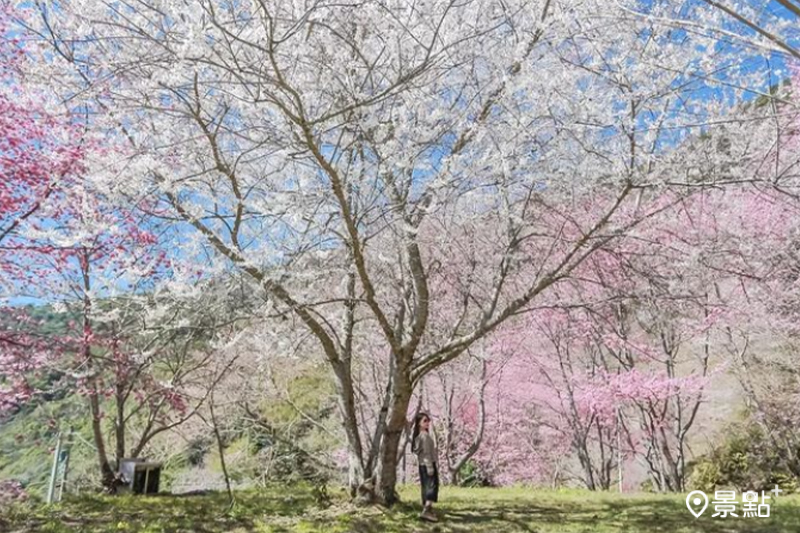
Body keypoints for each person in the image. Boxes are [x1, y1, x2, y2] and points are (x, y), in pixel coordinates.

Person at [412, 412, 439, 522]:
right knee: (432, 486)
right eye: (425, 421)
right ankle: (427, 510)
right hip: (428, 464)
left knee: (425, 486)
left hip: (421, 465)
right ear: (419, 423)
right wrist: (430, 467)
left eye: (428, 420)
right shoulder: (425, 437)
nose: (428, 423)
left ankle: (428, 510)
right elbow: (427, 453)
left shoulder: (418, 437)